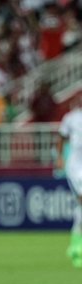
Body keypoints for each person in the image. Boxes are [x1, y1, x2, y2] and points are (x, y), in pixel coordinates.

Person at [55, 97, 82, 268]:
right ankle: (76, 248)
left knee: (80, 209)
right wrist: (59, 158)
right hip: (76, 167)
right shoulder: (71, 117)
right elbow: (61, 138)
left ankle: (75, 247)